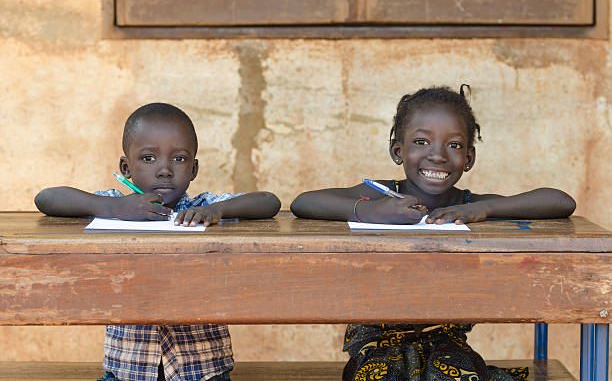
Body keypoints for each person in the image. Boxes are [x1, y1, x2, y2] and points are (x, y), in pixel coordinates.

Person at [290, 86, 575, 381]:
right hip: (377, 345)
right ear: (398, 151)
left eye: (453, 145)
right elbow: (304, 201)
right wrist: (372, 211)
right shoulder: (382, 197)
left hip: (446, 343)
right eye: (421, 141)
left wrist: (484, 208)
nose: (437, 155)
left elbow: (560, 201)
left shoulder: (467, 205)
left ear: (469, 157)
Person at [35, 103, 281, 381]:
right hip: (127, 369)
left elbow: (268, 201)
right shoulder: (116, 206)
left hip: (203, 371)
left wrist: (217, 211)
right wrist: (116, 209)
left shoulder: (202, 208)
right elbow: (47, 198)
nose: (165, 170)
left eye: (179, 159)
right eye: (149, 158)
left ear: (194, 169)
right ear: (126, 167)